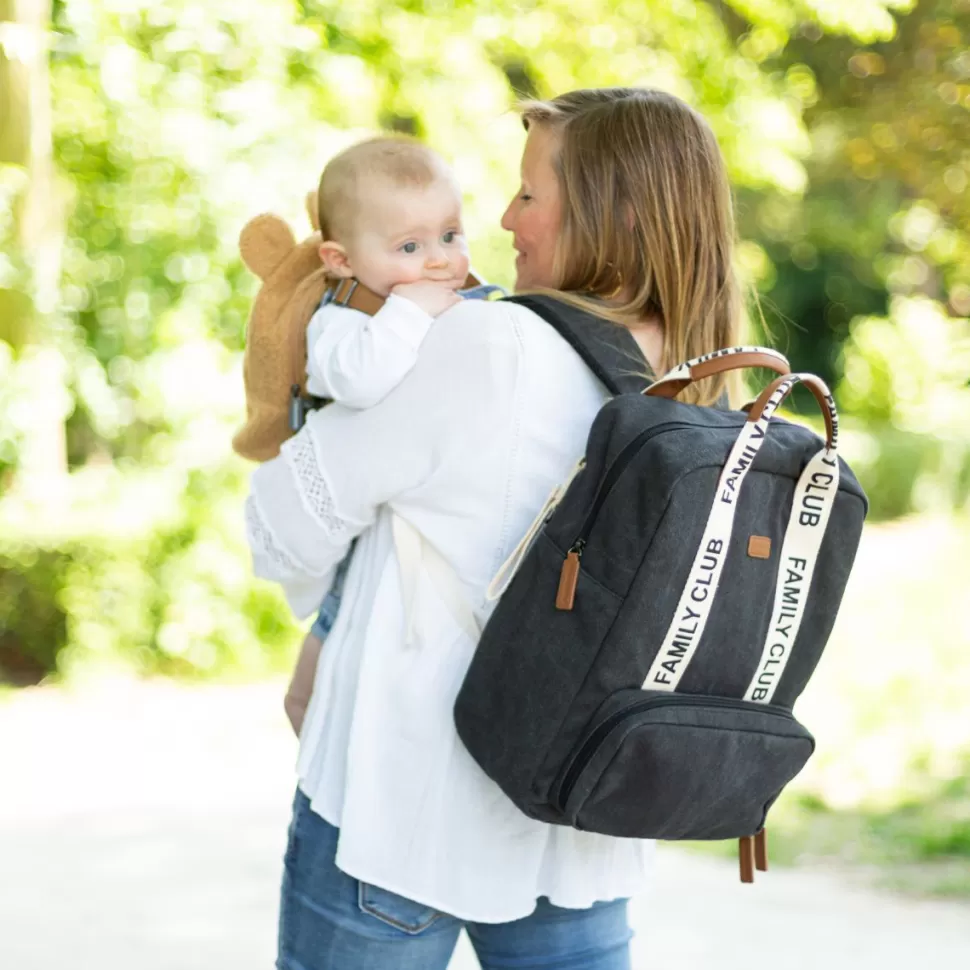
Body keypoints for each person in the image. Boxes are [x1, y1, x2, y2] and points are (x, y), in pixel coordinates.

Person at [245, 87, 740, 970]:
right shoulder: (705, 376)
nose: (505, 219)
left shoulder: (492, 344)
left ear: (608, 211)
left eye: (529, 193)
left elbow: (284, 523)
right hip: (582, 828)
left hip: (405, 815)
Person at [284, 136, 499, 733]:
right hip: (358, 545)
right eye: (409, 246)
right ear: (341, 260)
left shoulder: (462, 302)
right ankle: (325, 795)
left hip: (434, 536)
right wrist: (411, 312)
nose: (438, 261)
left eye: (450, 236)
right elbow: (358, 381)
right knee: (311, 692)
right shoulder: (341, 322)